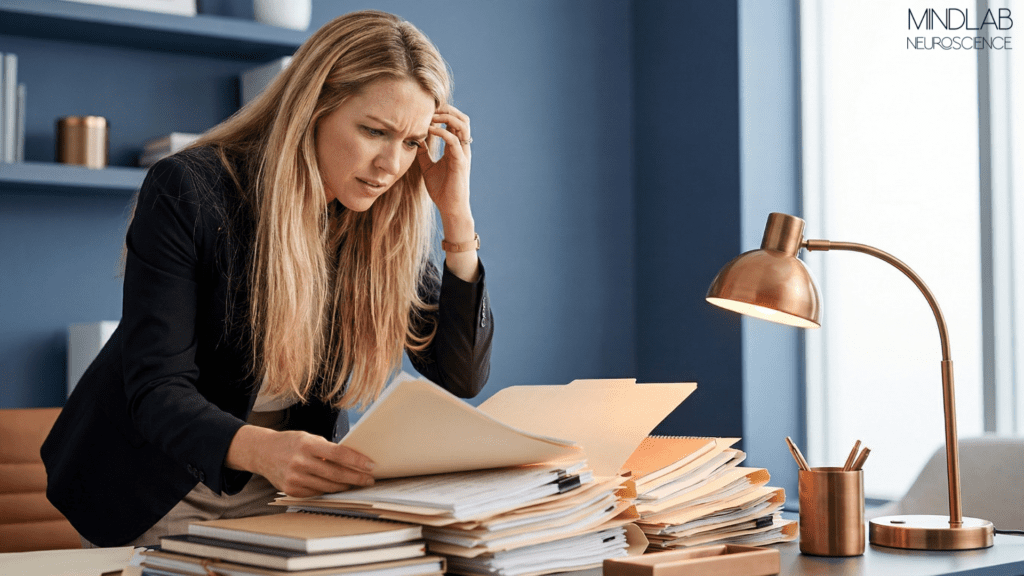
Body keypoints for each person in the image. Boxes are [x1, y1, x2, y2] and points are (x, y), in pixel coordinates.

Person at [40, 9, 493, 548]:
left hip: (293, 486)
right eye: (374, 131)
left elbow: (460, 375)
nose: (391, 164)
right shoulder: (190, 189)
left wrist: (457, 220)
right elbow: (159, 389)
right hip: (163, 482)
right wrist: (265, 451)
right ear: (312, 109)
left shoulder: (380, 223)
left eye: (413, 142)